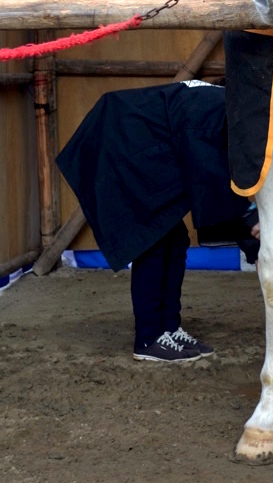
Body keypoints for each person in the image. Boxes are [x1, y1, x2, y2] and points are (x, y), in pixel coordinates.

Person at [56, 79, 259, 363]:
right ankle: (149, 338)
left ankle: (169, 329)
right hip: (120, 144)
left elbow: (219, 179)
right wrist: (251, 234)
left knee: (175, 238)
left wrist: (251, 238)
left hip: (143, 147)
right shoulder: (214, 114)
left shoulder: (225, 110)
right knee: (154, 238)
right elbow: (209, 180)